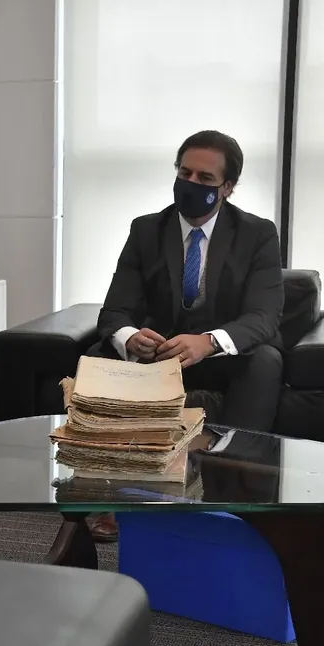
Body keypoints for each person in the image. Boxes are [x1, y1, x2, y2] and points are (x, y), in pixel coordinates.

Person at [86, 130, 285, 541]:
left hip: (222, 361)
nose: (191, 184)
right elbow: (115, 309)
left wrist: (209, 341)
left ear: (227, 188)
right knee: (99, 353)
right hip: (159, 360)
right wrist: (128, 336)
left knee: (266, 360)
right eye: (184, 172)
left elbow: (264, 316)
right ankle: (108, 495)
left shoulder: (257, 234)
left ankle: (228, 495)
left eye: (205, 179)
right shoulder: (146, 230)